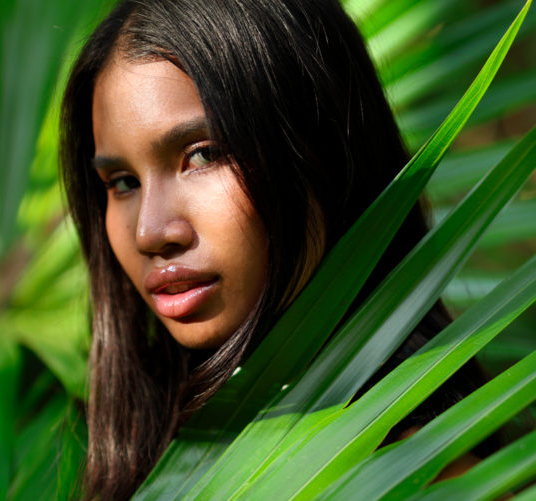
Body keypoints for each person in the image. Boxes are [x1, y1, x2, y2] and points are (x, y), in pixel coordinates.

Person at [59, 0, 491, 498]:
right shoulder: (141, 456)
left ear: (326, 153)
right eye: (122, 182)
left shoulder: (435, 483)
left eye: (204, 154)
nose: (150, 233)